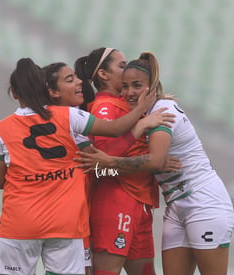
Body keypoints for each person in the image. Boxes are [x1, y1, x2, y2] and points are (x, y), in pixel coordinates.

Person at [0, 58, 174, 275]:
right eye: (70, 79)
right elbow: (103, 163)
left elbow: (0, 181)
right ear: (50, 90)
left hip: (21, 222)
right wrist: (145, 161)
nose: (79, 82)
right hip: (68, 222)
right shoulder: (70, 119)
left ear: (14, 93)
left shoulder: (2, 128)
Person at [75, 52, 234, 275]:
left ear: (152, 86)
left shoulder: (161, 111)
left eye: (137, 86)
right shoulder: (123, 110)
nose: (129, 92)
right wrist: (122, 162)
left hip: (203, 201)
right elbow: (104, 167)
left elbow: (151, 160)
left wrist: (116, 162)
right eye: (125, 85)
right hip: (168, 204)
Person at [75, 47, 175, 275]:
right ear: (103, 74)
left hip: (140, 201)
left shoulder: (127, 104)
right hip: (116, 200)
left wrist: (154, 162)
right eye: (121, 65)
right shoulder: (105, 107)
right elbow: (101, 165)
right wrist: (149, 158)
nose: (127, 68)